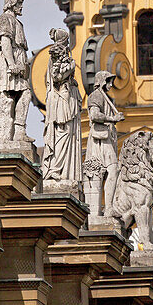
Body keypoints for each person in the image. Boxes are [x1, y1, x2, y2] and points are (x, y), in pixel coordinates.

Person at [42, 28, 82, 186]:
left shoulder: (57, 61)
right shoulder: (58, 61)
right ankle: (55, 169)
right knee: (62, 134)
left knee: (63, 134)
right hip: (60, 101)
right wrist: (69, 69)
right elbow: (57, 77)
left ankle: (60, 169)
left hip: (62, 100)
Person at [0, 0, 30, 145]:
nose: (21, 7)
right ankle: (16, 132)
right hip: (9, 63)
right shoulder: (5, 19)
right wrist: (12, 64)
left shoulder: (17, 22)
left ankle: (18, 132)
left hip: (18, 62)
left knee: (21, 95)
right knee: (21, 94)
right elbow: (6, 42)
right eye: (19, 3)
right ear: (12, 3)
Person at [86, 70, 124, 214]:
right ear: (101, 82)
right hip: (99, 140)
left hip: (108, 137)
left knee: (112, 172)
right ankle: (107, 207)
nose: (111, 84)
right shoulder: (96, 96)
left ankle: (109, 206)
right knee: (111, 170)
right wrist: (113, 119)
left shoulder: (107, 98)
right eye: (108, 81)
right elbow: (94, 115)